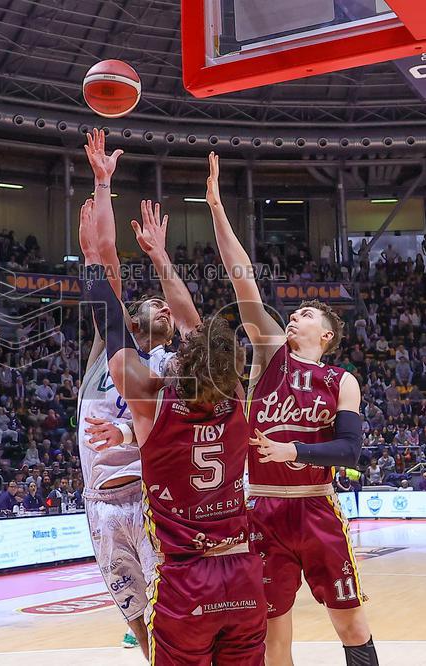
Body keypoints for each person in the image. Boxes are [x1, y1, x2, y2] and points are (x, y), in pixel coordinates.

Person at [205, 151, 377, 666]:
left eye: (304, 314)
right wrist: (216, 206)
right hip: (262, 509)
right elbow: (243, 283)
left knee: (349, 622)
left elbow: (350, 449)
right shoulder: (269, 356)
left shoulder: (342, 380)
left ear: (325, 334)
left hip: (316, 507)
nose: (294, 316)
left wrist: (294, 449)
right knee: (271, 631)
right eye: (294, 312)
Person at [82, 191, 266, 665]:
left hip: (179, 560)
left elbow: (113, 305)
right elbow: (191, 326)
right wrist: (160, 258)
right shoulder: (234, 399)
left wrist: (90, 261)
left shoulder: (154, 396)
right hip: (239, 565)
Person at [76, 130, 201, 654]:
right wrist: (103, 183)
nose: (162, 308)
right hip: (98, 506)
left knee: (172, 616)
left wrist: (161, 259)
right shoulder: (112, 346)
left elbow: (196, 326)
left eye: (165, 307)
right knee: (138, 623)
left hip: (152, 500)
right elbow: (104, 256)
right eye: (152, 302)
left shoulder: (171, 364)